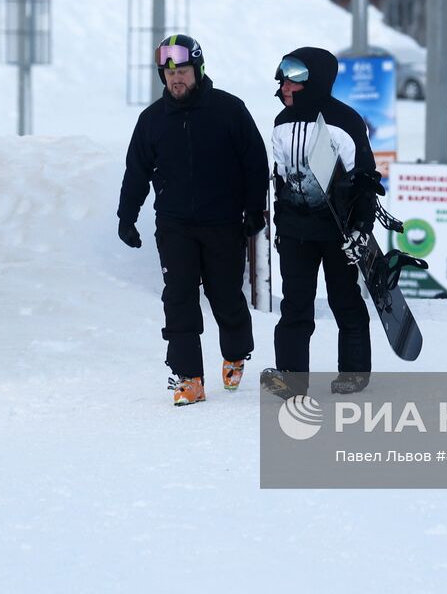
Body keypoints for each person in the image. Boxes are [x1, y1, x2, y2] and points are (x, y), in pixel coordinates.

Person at [117, 34, 269, 407]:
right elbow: (136, 171)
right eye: (169, 74)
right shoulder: (152, 120)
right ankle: (189, 378)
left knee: (225, 297)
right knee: (179, 299)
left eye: (182, 70)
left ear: (198, 70)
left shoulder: (229, 110)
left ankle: (235, 353)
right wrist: (127, 216)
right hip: (174, 225)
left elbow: (255, 163)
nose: (176, 79)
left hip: (223, 223)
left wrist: (254, 211)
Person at [266, 47, 381, 397]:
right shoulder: (281, 123)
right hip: (296, 231)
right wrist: (281, 226)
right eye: (283, 77)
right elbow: (282, 178)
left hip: (338, 231)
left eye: (295, 77)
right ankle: (291, 376)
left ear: (316, 79)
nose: (285, 84)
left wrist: (362, 227)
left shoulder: (345, 121)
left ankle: (354, 372)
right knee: (294, 304)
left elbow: (365, 178)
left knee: (344, 300)